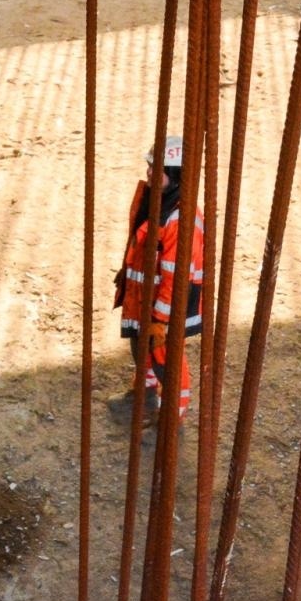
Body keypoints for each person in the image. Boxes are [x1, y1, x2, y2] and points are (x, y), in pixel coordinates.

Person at [110, 135, 203, 424]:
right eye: (150, 165)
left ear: (175, 175)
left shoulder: (179, 220)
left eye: (158, 168)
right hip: (144, 297)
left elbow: (176, 278)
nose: (150, 172)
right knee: (141, 348)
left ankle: (171, 418)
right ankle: (146, 394)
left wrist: (161, 320)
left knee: (166, 359)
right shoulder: (156, 201)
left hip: (167, 305)